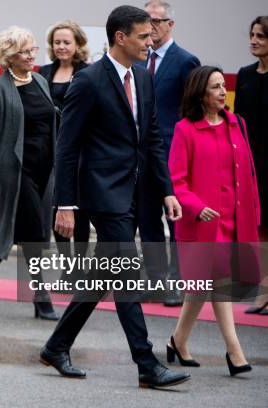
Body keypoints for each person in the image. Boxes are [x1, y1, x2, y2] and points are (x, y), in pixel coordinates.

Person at [43, 6, 190, 389]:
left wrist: (167, 190)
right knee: (126, 271)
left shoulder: (142, 77)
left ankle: (56, 346)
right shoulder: (88, 80)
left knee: (104, 271)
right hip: (101, 194)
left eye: (152, 34)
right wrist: (66, 204)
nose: (151, 41)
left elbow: (152, 138)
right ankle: (146, 363)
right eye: (144, 35)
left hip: (136, 191)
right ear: (121, 37)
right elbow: (67, 146)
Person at [167, 66, 258, 376]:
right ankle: (235, 352)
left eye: (223, 86)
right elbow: (176, 180)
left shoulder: (237, 125)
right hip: (201, 222)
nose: (223, 92)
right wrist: (195, 206)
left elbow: (248, 175)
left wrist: (253, 211)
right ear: (201, 94)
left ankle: (178, 341)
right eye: (216, 87)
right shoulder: (185, 129)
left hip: (233, 218)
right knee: (217, 283)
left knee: (200, 287)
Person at [0, 26, 59, 320]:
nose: (31, 55)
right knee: (33, 232)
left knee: (14, 233)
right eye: (24, 51)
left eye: (33, 49)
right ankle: (40, 297)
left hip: (43, 169)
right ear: (10, 56)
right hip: (14, 172)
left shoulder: (41, 81)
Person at [141, 0, 200, 306]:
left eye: (156, 20)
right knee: (147, 218)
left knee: (176, 219)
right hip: (142, 154)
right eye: (146, 19)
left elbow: (193, 111)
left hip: (174, 153)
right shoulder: (138, 60)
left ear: (170, 24)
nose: (150, 25)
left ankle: (177, 283)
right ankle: (155, 280)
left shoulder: (185, 61)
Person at [39, 20, 90, 259]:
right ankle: (67, 265)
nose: (61, 46)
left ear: (78, 44)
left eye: (66, 42)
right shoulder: (44, 72)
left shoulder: (87, 73)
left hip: (79, 150)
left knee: (78, 212)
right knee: (54, 209)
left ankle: (79, 265)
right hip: (49, 150)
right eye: (56, 42)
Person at [235, 16, 268, 315]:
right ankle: (263, 291)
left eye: (261, 36)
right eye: (252, 34)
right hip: (250, 163)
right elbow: (236, 123)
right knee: (257, 228)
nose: (254, 40)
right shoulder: (245, 75)